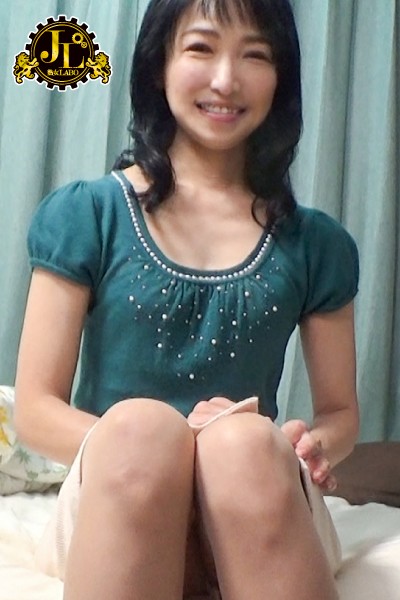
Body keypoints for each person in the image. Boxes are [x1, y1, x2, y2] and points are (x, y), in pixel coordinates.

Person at [14, 0, 359, 598]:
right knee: (143, 430)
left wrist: (308, 445)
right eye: (201, 47)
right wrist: (174, 451)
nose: (226, 79)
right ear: (159, 65)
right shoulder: (87, 214)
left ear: (281, 77)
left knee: (244, 443)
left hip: (255, 494)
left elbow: (340, 414)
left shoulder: (316, 242)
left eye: (255, 55)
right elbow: (36, 409)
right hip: (115, 495)